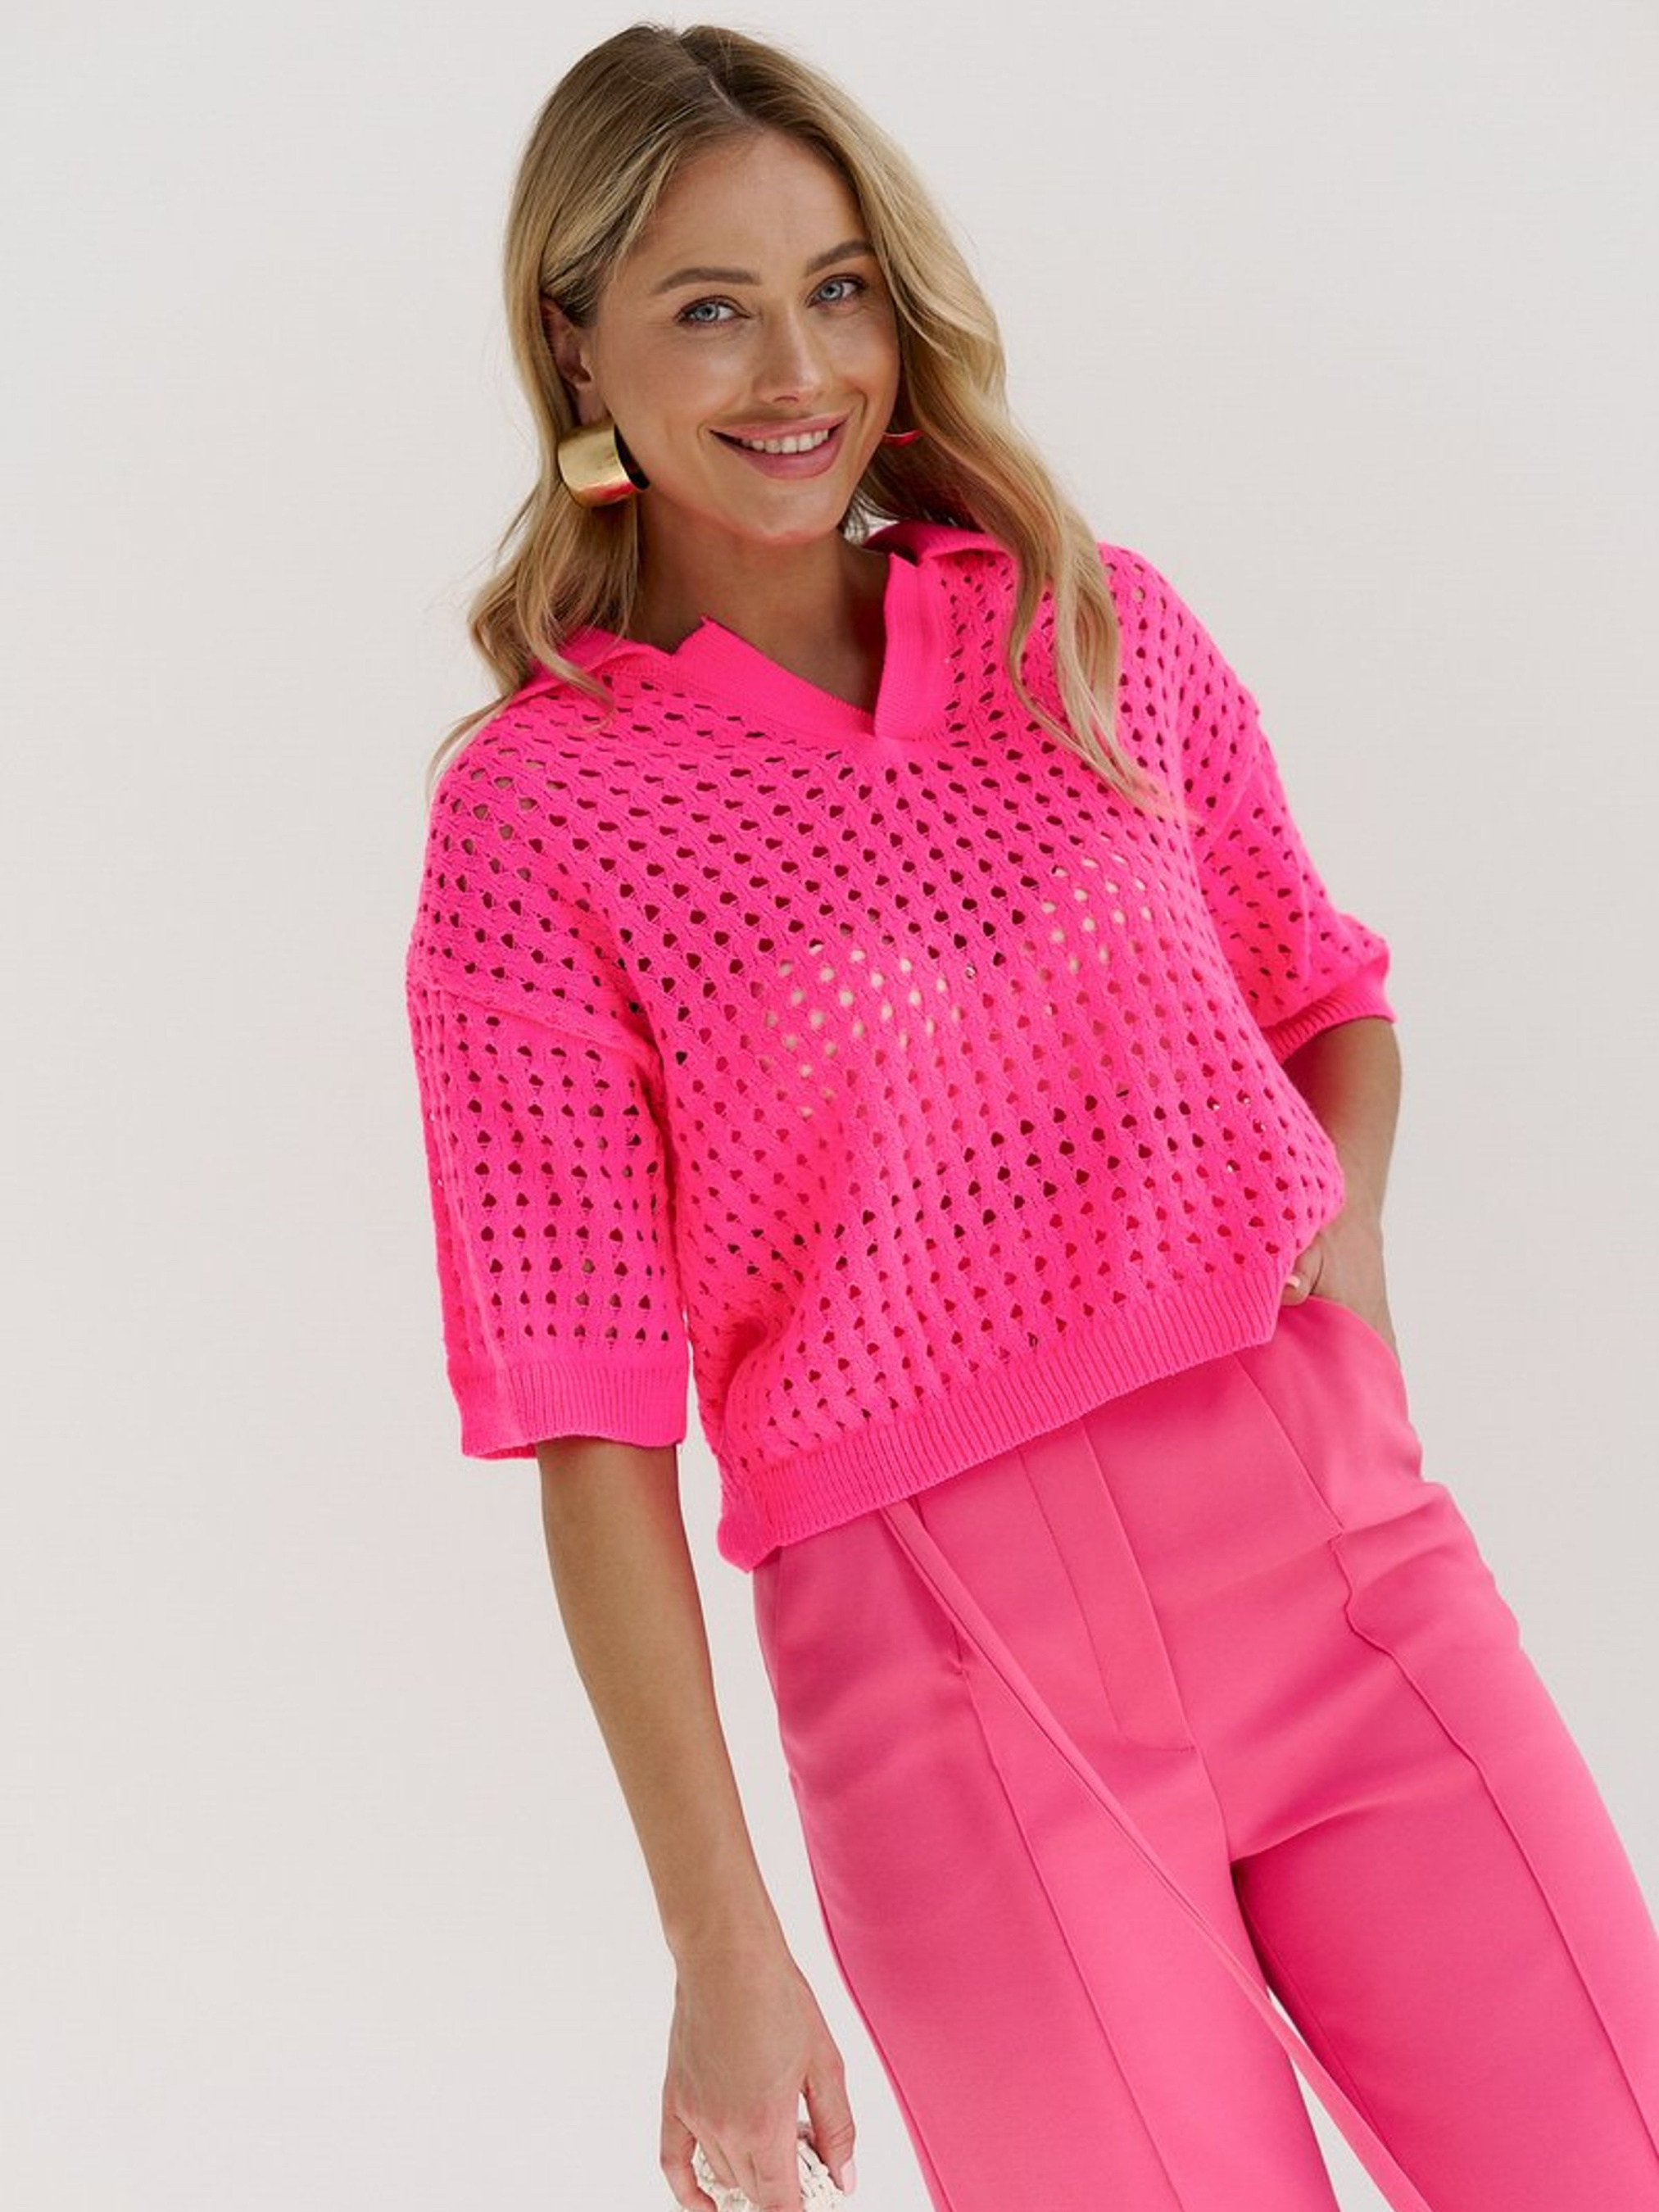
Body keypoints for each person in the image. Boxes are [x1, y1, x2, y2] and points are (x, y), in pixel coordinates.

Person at [401, 23, 1659, 2212]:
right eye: (710, 306)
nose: (798, 368)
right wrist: (720, 1943)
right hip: (951, 1683)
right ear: (573, 338)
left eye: (838, 288)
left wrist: (1342, 1271)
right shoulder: (542, 819)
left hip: (1341, 1560)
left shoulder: (1083, 625)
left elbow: (1322, 997)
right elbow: (588, 1421)